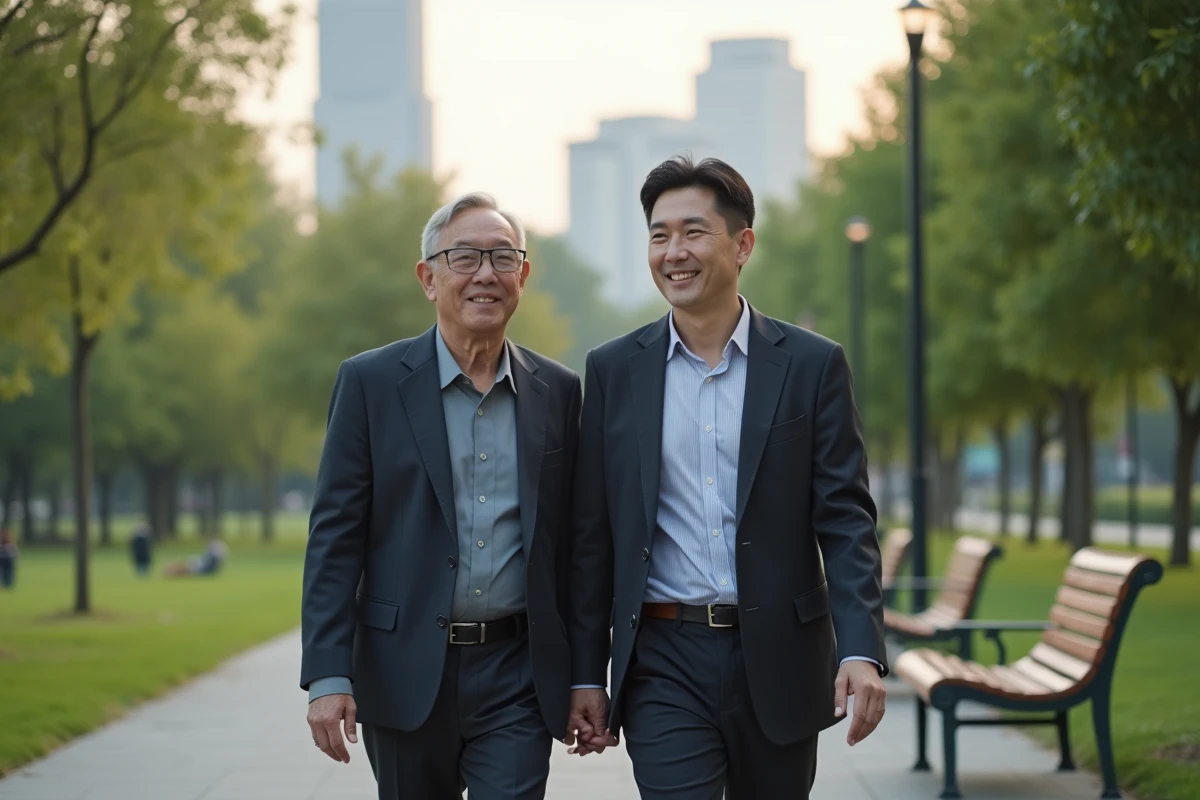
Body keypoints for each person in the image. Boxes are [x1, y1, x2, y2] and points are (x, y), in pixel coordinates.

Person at [566, 156, 888, 799]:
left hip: (780, 657)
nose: (673, 252)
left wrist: (861, 650)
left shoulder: (810, 365)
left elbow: (844, 518)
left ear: (743, 244)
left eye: (693, 232)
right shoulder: (612, 372)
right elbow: (592, 535)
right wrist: (585, 673)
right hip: (662, 660)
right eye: (659, 236)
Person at [300, 193, 582, 800]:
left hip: (518, 675)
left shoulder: (558, 392)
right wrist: (327, 673)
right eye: (464, 257)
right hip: (403, 671)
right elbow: (335, 538)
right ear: (429, 278)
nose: (486, 273)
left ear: (523, 277)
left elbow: (577, 547)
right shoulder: (370, 384)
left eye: (503, 257)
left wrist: (587, 674)